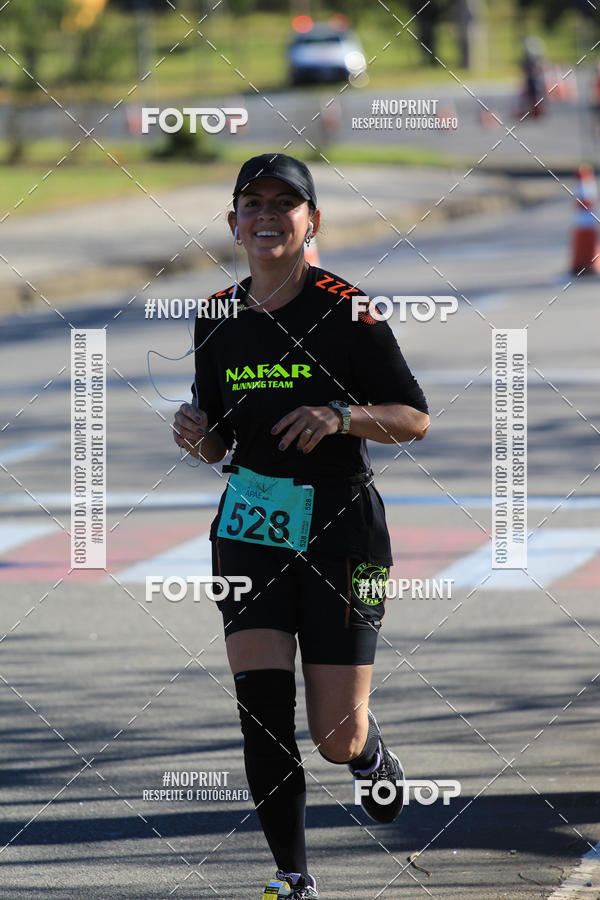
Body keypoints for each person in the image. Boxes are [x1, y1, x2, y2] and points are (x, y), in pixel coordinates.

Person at [173, 153, 430, 900]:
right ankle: (293, 877)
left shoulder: (347, 307)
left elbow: (413, 418)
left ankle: (367, 754)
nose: (265, 217)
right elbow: (224, 443)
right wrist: (200, 437)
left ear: (310, 222)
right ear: (233, 224)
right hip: (251, 526)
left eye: (284, 204)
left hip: (343, 529)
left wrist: (341, 415)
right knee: (260, 710)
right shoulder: (216, 317)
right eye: (251, 205)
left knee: (331, 734)